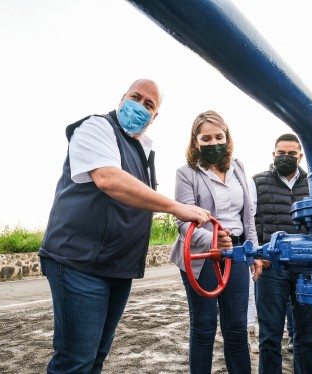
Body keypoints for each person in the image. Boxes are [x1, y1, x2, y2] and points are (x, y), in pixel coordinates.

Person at [38, 79, 211, 373]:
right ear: (122, 98)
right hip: (79, 261)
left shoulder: (143, 151)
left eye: (149, 104)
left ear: (155, 117)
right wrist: (176, 206)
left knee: (96, 358)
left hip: (116, 266)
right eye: (136, 97)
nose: (140, 106)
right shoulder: (96, 127)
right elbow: (108, 179)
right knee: (75, 362)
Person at [170, 110, 259, 374]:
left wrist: (251, 251)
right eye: (206, 138)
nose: (213, 143)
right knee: (204, 327)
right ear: (196, 141)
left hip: (237, 253)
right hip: (201, 256)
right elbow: (183, 221)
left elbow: (248, 215)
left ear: (227, 137)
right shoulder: (186, 173)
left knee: (236, 329)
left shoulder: (238, 167)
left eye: (219, 137)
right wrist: (213, 239)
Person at [249, 133, 312, 374]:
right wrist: (257, 254)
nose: (286, 157)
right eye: (281, 153)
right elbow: (249, 220)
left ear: (300, 156)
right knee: (270, 336)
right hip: (272, 266)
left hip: (306, 268)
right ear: (273, 154)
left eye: (292, 153)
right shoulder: (258, 182)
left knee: (309, 336)